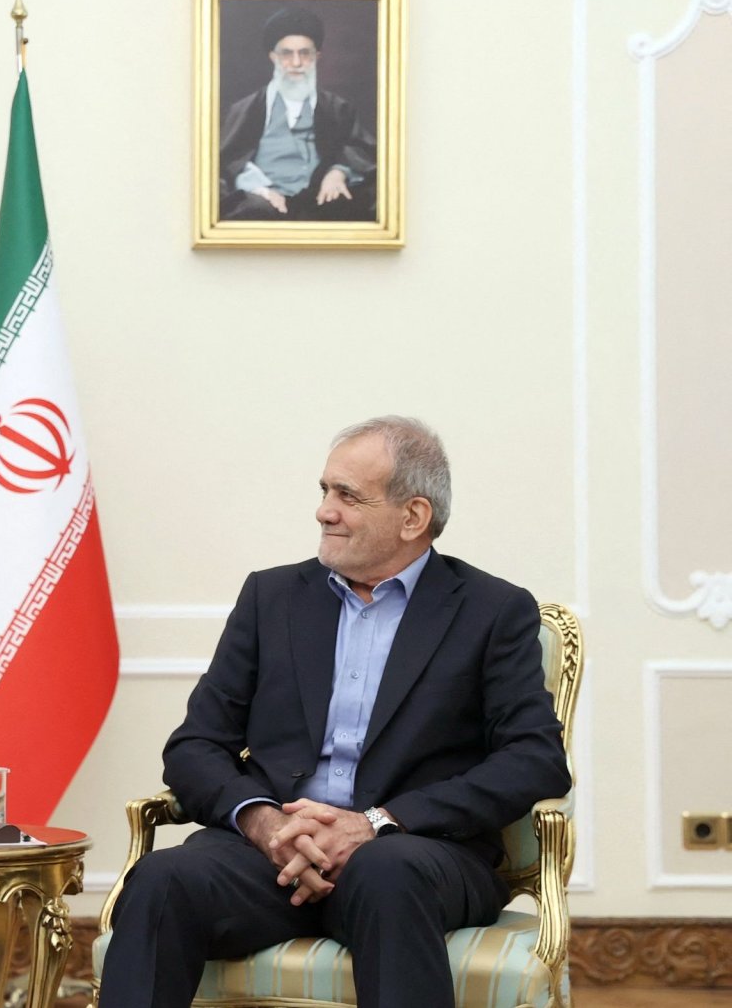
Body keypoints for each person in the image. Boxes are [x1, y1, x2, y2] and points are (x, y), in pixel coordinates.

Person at [97, 416, 572, 1007]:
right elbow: (196, 745)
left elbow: (535, 759)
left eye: (348, 495)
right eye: (324, 491)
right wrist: (265, 824)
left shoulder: (491, 611)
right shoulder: (271, 598)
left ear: (413, 517)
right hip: (272, 855)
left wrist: (376, 822)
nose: (325, 510)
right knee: (163, 881)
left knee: (386, 873)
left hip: (416, 854)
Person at [217, 6, 378, 222]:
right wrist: (260, 189)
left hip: (321, 199)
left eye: (305, 53)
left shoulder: (337, 108)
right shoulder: (246, 108)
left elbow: (361, 151)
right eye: (286, 54)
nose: (296, 63)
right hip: (264, 201)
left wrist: (339, 171)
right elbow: (227, 161)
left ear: (317, 57)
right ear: (273, 57)